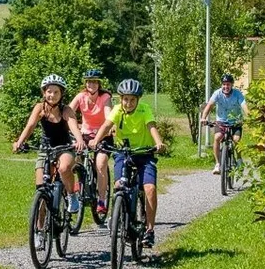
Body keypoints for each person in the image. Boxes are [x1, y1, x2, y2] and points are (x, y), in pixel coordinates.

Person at [94, 78, 165, 247]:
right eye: (125, 99)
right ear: (121, 98)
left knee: (149, 189)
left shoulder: (144, 109)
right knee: (119, 185)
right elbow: (106, 125)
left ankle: (149, 230)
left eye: (132, 99)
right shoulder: (117, 110)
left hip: (145, 153)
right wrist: (96, 140)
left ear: (138, 100)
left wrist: (158, 142)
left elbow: (151, 126)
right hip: (123, 153)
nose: (129, 103)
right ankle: (117, 214)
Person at [13, 74, 84, 215]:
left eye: (56, 92)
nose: (52, 95)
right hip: (45, 149)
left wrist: (79, 140)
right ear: (44, 92)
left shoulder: (66, 110)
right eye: (49, 91)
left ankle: (71, 195)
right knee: (41, 189)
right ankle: (39, 232)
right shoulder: (40, 108)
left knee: (64, 168)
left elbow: (73, 126)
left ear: (61, 93)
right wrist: (20, 142)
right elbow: (30, 126)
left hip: (64, 148)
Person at [69, 69, 115, 219]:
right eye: (89, 81)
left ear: (99, 83)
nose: (92, 84)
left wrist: (105, 131)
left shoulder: (105, 97)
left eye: (95, 81)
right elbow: (68, 112)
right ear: (85, 83)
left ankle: (101, 200)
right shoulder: (80, 96)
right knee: (73, 153)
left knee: (100, 163)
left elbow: (108, 115)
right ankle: (78, 182)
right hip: (85, 134)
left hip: (103, 135)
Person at [199, 73, 247, 174]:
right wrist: (203, 118)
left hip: (235, 121)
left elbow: (244, 106)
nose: (226, 87)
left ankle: (238, 159)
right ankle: (218, 164)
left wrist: (250, 117)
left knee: (236, 139)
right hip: (221, 121)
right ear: (222, 85)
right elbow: (209, 106)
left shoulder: (237, 94)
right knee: (217, 137)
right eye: (224, 84)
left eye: (228, 84)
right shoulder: (217, 93)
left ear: (232, 85)